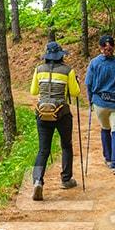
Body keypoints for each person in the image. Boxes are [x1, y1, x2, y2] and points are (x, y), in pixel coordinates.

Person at [30, 41, 80, 200]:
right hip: (61, 113)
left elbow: (33, 91)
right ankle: (66, 179)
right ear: (60, 56)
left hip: (42, 113)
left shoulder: (39, 70)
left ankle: (38, 180)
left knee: (43, 150)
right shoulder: (68, 71)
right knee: (66, 145)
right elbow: (75, 92)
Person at [85, 34, 115, 175]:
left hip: (100, 102)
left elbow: (88, 84)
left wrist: (90, 101)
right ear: (113, 47)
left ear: (100, 48)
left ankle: (109, 158)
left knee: (105, 128)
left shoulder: (94, 63)